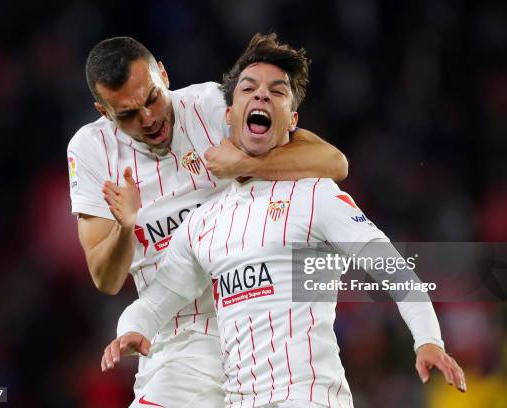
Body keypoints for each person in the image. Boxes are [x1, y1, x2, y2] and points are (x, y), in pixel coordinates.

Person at [104, 33, 467, 408]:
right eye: (249, 88)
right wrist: (131, 330)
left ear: (292, 121)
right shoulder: (203, 224)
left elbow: (392, 267)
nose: (261, 95)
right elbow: (158, 299)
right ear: (229, 114)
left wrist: (428, 339)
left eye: (277, 92)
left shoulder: (315, 196)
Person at [68, 35, 349, 407]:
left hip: (257, 324)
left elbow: (333, 162)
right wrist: (125, 227)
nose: (149, 118)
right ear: (104, 112)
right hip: (178, 338)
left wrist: (246, 163)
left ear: (164, 75)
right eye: (128, 114)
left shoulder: (212, 105)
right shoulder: (89, 151)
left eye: (152, 98)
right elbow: (105, 279)